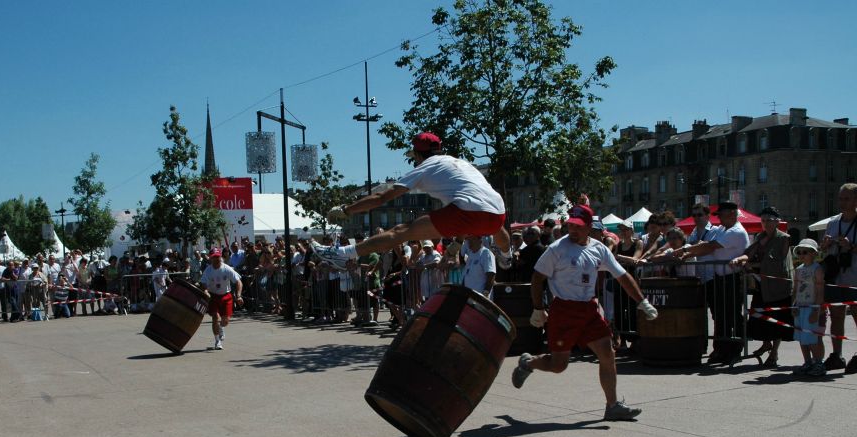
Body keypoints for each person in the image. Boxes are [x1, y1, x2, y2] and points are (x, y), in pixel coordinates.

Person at [510, 204, 659, 421]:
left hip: (588, 309)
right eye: (571, 224)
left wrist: (642, 302)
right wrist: (538, 309)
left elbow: (623, 277)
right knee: (559, 365)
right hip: (563, 310)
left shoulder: (599, 249)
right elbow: (537, 278)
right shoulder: (557, 249)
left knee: (608, 354)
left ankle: (613, 405)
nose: (573, 229)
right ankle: (528, 363)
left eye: (578, 226)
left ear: (590, 227)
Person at [310, 132, 510, 268]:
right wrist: (458, 241)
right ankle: (507, 255)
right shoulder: (459, 163)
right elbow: (477, 207)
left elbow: (382, 197)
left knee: (401, 231)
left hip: (467, 211)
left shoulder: (425, 167)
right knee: (496, 227)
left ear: (416, 154)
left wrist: (347, 209)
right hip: (497, 211)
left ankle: (342, 254)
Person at [672, 201, 750, 364]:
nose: (719, 218)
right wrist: (687, 253)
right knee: (721, 316)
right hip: (720, 277)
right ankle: (721, 349)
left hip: (733, 278)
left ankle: (735, 349)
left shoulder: (736, 231)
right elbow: (704, 245)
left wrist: (685, 250)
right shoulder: (722, 229)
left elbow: (710, 247)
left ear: (732, 214)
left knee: (732, 316)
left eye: (721, 214)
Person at [730, 206, 793, 367]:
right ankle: (766, 344)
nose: (765, 224)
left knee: (778, 321)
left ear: (777, 222)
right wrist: (740, 259)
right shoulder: (760, 237)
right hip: (762, 285)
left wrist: (753, 264)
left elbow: (779, 264)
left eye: (769, 221)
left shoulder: (783, 238)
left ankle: (774, 353)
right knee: (758, 316)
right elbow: (749, 252)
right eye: (763, 221)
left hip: (778, 286)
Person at [819, 182, 857, 373]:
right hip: (836, 276)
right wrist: (825, 245)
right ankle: (837, 355)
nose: (842, 202)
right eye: (840, 198)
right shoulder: (834, 222)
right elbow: (824, 250)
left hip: (855, 276)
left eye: (847, 198)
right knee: (836, 316)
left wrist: (851, 246)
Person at [791, 239, 827, 376]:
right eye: (799, 252)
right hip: (800, 306)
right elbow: (795, 289)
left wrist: (816, 310)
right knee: (802, 337)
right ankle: (807, 362)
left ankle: (819, 363)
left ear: (813, 253)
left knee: (813, 338)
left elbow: (820, 291)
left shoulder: (817, 269)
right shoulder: (798, 270)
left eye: (805, 252)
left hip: (812, 307)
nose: (801, 255)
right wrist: (793, 304)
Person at [198, 247, 244, 350]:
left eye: (218, 257)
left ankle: (221, 328)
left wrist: (239, 296)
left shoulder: (227, 268)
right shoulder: (208, 270)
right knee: (215, 317)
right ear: (211, 258)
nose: (216, 259)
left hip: (226, 296)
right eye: (214, 257)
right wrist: (205, 290)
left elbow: (238, 282)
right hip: (213, 296)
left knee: (225, 321)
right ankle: (217, 341)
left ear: (221, 257)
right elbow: (203, 283)